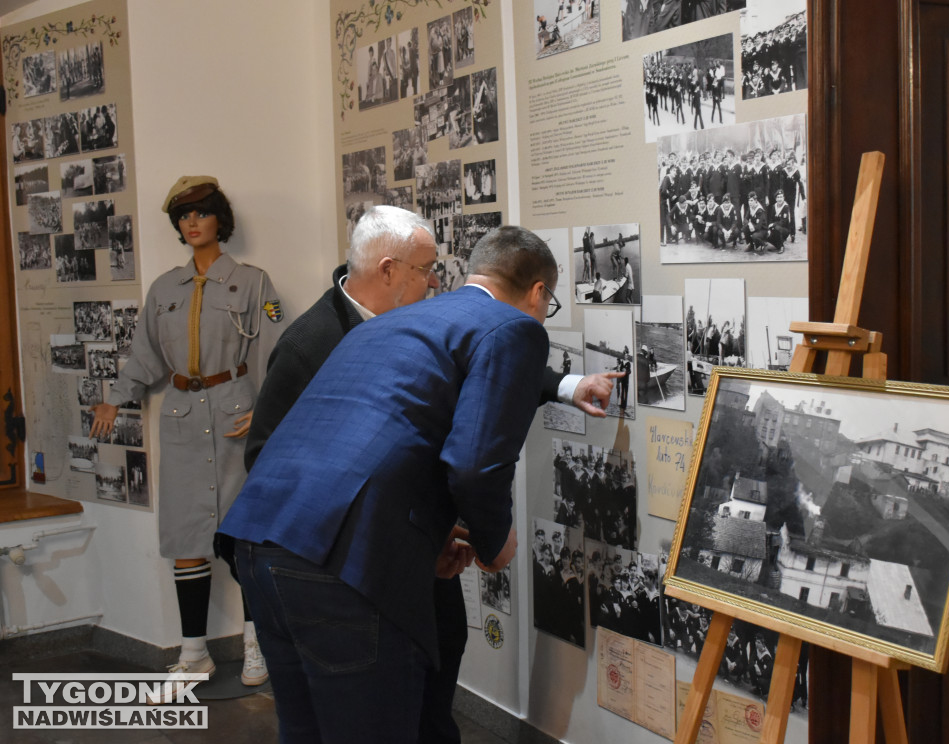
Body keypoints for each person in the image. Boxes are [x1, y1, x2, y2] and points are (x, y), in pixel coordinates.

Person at [221, 226, 615, 742]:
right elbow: (474, 464)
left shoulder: (392, 320)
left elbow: (373, 441)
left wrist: (423, 538)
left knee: (306, 732)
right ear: (538, 292)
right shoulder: (514, 327)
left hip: (257, 541)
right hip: (338, 566)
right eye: (549, 303)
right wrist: (495, 543)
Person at [89, 176, 284, 692]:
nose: (192, 222)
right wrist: (116, 396)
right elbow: (146, 355)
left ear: (220, 217)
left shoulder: (253, 283)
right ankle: (194, 652)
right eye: (183, 216)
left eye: (201, 211)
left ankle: (255, 643)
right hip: (180, 417)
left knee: (244, 534)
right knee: (185, 536)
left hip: (235, 416)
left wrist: (265, 411)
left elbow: (275, 350)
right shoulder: (163, 290)